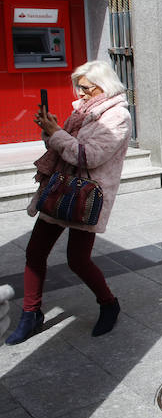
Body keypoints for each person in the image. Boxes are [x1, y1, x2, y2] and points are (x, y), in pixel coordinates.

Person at [6, 61, 131, 345]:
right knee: (35, 252)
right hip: (59, 188)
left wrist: (56, 132)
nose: (81, 93)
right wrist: (49, 130)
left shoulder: (117, 117)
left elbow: (87, 156)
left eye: (86, 88)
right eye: (79, 87)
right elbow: (61, 147)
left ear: (104, 86)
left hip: (85, 196)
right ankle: (30, 314)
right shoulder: (82, 112)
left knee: (77, 260)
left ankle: (109, 303)